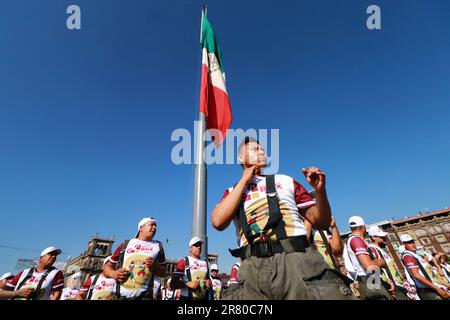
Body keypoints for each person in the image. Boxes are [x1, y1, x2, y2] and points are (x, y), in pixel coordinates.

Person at [211, 137, 353, 300]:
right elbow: (217, 222)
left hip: (294, 260)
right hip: (251, 268)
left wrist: (320, 191)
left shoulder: (285, 181)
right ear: (240, 158)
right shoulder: (232, 192)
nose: (261, 151)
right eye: (254, 149)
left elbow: (321, 222)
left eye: (262, 149)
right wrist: (244, 179)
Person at [103, 217, 166, 300]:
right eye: (151, 225)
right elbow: (107, 267)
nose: (154, 227)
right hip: (119, 297)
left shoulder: (158, 246)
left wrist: (155, 265)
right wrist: (113, 274)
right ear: (141, 228)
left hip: (144, 297)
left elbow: (163, 273)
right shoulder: (126, 244)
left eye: (155, 226)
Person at [343, 216, 392, 300]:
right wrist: (381, 262)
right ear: (363, 227)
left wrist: (384, 282)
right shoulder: (356, 240)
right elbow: (369, 266)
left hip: (369, 280)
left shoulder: (353, 239)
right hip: (368, 280)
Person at [400, 234, 450, 300]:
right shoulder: (408, 256)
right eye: (409, 242)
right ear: (404, 244)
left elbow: (431, 275)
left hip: (433, 287)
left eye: (413, 242)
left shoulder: (415, 256)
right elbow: (416, 275)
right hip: (427, 289)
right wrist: (437, 288)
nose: (412, 244)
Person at [367, 225, 409, 300]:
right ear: (373, 237)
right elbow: (373, 268)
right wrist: (386, 286)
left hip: (399, 286)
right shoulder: (372, 249)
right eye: (382, 237)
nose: (385, 238)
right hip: (392, 289)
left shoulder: (381, 250)